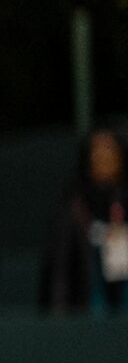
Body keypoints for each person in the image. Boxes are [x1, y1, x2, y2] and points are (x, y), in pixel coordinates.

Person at [43, 128, 128, 313]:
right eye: (97, 150)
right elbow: (60, 270)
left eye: (109, 149)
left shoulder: (123, 200)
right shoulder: (74, 206)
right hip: (89, 310)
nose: (103, 157)